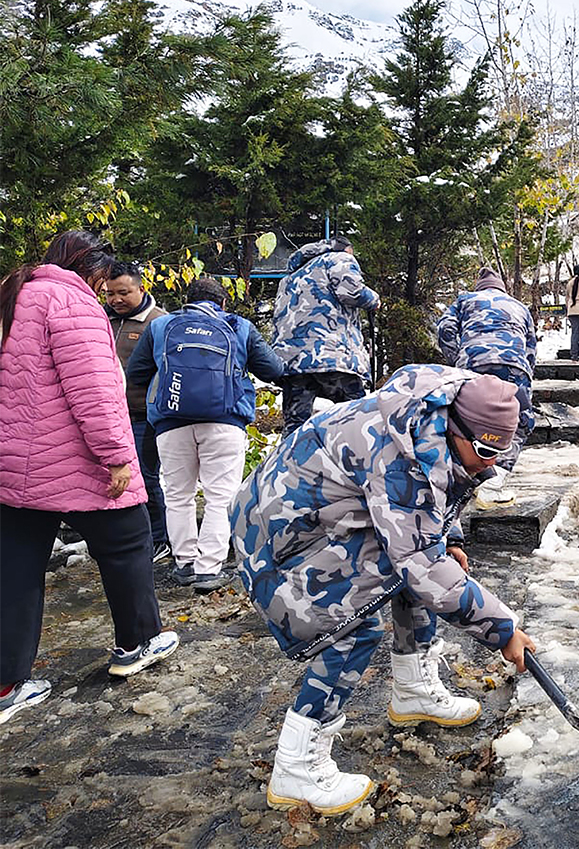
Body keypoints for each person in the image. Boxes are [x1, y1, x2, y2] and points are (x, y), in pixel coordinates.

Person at [231, 367, 536, 816]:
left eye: (501, 450)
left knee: (422, 568)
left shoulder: (432, 419)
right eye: (486, 449)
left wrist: (450, 537)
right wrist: (503, 630)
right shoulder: (403, 455)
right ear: (457, 428)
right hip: (278, 540)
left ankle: (413, 690)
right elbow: (420, 561)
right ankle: (297, 767)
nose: (491, 462)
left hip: (325, 517)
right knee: (354, 626)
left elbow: (434, 504)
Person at [0, 230, 179, 725]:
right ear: (92, 269)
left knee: (14, 568)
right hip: (76, 459)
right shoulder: (70, 301)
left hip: (13, 462)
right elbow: (95, 388)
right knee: (127, 544)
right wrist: (117, 455)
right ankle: (136, 642)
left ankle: (7, 682)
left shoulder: (12, 292)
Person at [127, 277, 285, 593]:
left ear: (188, 299)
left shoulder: (161, 327)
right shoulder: (239, 326)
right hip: (225, 423)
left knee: (177, 494)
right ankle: (208, 569)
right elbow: (274, 370)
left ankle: (184, 563)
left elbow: (135, 374)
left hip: (171, 422)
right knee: (220, 497)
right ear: (222, 303)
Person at [437, 267, 536, 506]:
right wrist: (526, 373)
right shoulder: (519, 307)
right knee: (521, 420)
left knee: (464, 420)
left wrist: (456, 358)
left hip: (473, 364)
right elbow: (531, 346)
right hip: (514, 366)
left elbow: (444, 329)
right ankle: (497, 473)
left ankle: (465, 473)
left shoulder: (466, 300)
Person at [271, 237, 380, 434]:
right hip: (331, 356)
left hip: (293, 363)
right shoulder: (339, 258)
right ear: (347, 249)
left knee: (295, 426)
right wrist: (374, 300)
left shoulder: (289, 278)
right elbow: (352, 292)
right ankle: (353, 462)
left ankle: (291, 462)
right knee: (356, 420)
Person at [105, 260, 171, 564]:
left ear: (141, 288)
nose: (116, 300)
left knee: (147, 478)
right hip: (107, 417)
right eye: (109, 294)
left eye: (123, 292)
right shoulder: (100, 319)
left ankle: (160, 539)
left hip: (144, 416)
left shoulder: (159, 322)